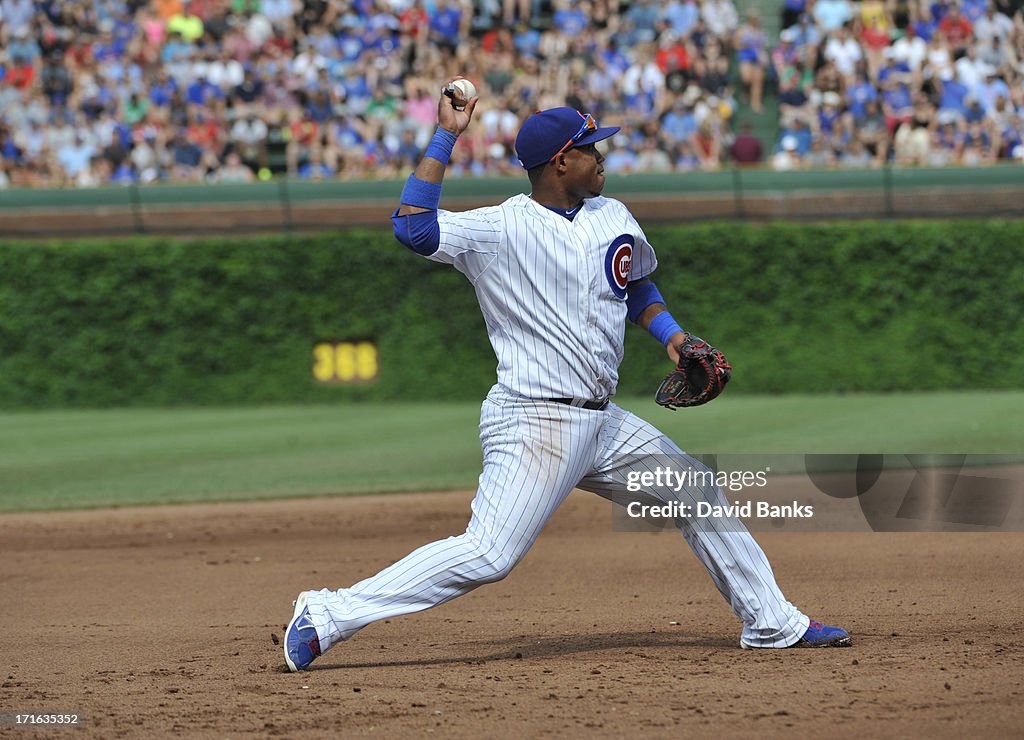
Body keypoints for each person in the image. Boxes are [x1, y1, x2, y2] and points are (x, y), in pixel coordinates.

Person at [282, 79, 852, 672]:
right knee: (488, 555)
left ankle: (770, 622)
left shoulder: (612, 214)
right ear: (560, 162)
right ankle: (328, 614)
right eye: (591, 149)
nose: (602, 157)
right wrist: (446, 134)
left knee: (695, 491)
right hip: (534, 420)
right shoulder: (500, 228)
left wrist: (674, 337)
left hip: (601, 423)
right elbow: (413, 228)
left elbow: (634, 283)